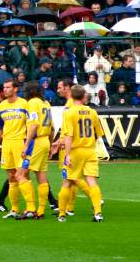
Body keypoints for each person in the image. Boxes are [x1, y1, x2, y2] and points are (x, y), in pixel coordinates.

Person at [56, 84, 105, 222]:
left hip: (75, 151)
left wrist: (67, 155)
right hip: (90, 151)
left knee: (67, 182)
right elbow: (99, 134)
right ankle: (98, 212)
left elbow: (68, 136)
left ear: (71, 96)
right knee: (92, 181)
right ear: (84, 96)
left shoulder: (69, 112)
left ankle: (62, 214)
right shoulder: (92, 112)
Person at [0, 79, 36, 219]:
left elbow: (31, 126)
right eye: (4, 87)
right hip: (7, 144)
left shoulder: (25, 104)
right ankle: (15, 209)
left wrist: (27, 144)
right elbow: (0, 127)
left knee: (23, 175)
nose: (5, 90)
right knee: (11, 177)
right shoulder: (1, 106)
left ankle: (31, 207)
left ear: (15, 89)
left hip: (20, 142)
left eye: (8, 87)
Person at [22, 81, 54, 219]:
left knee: (20, 175)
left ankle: (30, 208)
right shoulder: (46, 103)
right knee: (41, 176)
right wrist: (51, 144)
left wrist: (26, 144)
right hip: (45, 140)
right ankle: (40, 211)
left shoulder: (32, 103)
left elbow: (34, 125)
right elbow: (52, 127)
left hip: (36, 142)